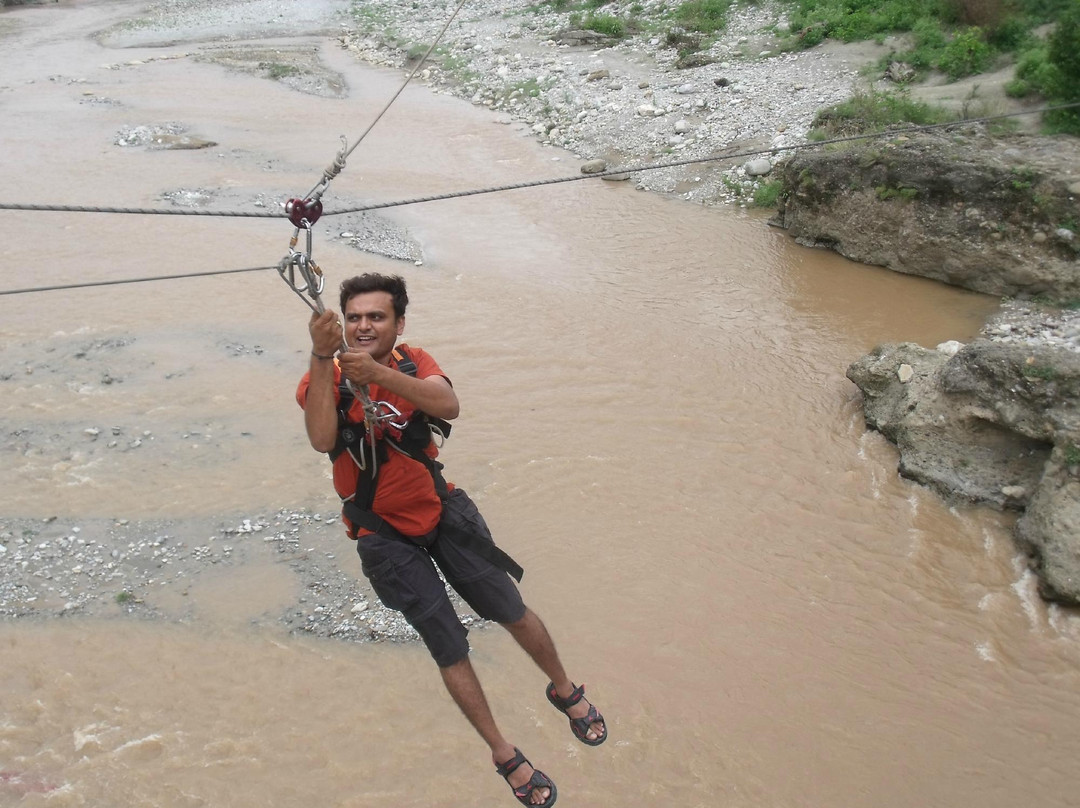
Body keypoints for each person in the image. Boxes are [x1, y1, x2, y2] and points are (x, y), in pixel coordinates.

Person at [297, 273, 606, 807]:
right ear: (340, 324)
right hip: (380, 532)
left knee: (510, 607)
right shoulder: (325, 376)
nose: (364, 326)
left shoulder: (413, 362)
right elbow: (323, 438)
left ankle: (564, 689)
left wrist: (381, 376)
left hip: (440, 509)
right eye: (354, 318)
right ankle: (503, 753)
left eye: (377, 317)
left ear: (398, 324)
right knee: (447, 644)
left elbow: (447, 404)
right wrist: (325, 360)